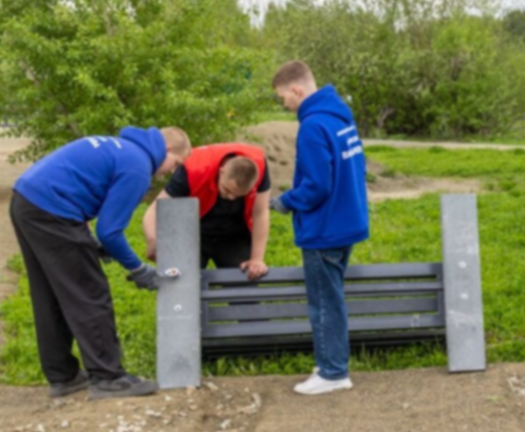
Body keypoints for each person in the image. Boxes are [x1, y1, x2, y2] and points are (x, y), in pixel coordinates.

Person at [10, 126, 191, 400]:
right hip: (53, 211)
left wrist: (93, 242)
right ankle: (108, 378)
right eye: (175, 164)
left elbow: (79, 186)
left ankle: (63, 376)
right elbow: (110, 230)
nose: (169, 172)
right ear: (166, 150)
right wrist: (138, 268)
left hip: (27, 201)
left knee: (49, 293)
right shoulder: (138, 166)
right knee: (89, 294)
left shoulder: (120, 147)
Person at [269, 60, 369, 395]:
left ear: (297, 90)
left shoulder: (312, 126)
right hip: (347, 219)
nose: (285, 105)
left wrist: (285, 201)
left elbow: (316, 186)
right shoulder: (339, 118)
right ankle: (331, 360)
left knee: (324, 302)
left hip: (324, 227)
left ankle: (332, 372)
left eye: (284, 98)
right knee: (332, 297)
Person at [142, 143, 271, 280]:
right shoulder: (192, 169)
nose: (231, 197)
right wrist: (153, 239)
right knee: (181, 282)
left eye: (238, 195)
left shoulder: (259, 167)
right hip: (191, 232)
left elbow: (260, 213)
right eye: (227, 190)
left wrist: (257, 259)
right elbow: (155, 209)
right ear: (222, 171)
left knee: (245, 282)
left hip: (234, 234)